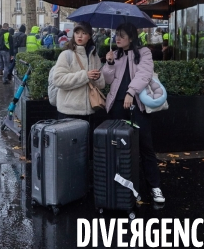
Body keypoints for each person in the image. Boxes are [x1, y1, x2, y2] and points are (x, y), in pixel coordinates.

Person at [102, 23, 165, 204]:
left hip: (137, 105)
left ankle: (154, 186)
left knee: (146, 146)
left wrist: (130, 92)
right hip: (116, 106)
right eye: (116, 35)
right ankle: (119, 186)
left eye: (122, 35)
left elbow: (145, 74)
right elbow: (107, 80)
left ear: (131, 37)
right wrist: (109, 63)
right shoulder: (114, 54)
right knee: (116, 147)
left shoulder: (144, 52)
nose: (117, 39)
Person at [52, 21, 105, 132]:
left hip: (90, 111)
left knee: (85, 147)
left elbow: (101, 85)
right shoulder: (66, 55)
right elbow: (57, 79)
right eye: (77, 32)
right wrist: (85, 75)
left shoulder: (94, 56)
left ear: (89, 36)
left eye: (84, 33)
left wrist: (98, 77)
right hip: (69, 112)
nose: (80, 36)